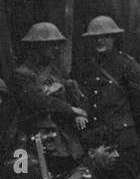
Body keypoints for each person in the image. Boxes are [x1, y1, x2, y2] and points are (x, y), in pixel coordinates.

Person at [76, 15, 140, 179]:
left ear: (114, 38)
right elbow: (85, 98)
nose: (100, 41)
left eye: (106, 36)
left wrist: (129, 125)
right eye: (96, 37)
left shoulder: (127, 65)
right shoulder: (87, 67)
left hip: (123, 137)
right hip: (100, 138)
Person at [11, 22, 88, 161]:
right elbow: (39, 101)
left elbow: (75, 94)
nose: (56, 48)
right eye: (50, 44)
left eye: (57, 44)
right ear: (36, 46)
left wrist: (78, 113)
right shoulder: (23, 74)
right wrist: (71, 110)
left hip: (64, 140)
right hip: (35, 138)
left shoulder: (57, 71)